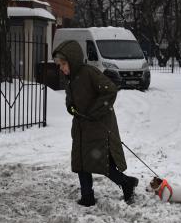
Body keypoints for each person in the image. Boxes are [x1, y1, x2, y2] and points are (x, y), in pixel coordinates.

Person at [52, 40, 138, 207]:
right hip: (81, 127)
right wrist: (70, 106)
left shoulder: (89, 73)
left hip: (98, 126)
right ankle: (87, 196)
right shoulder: (69, 78)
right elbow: (71, 98)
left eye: (63, 63)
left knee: (102, 163)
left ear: (73, 60)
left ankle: (127, 183)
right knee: (81, 162)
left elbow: (110, 90)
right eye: (59, 64)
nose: (61, 68)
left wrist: (94, 111)